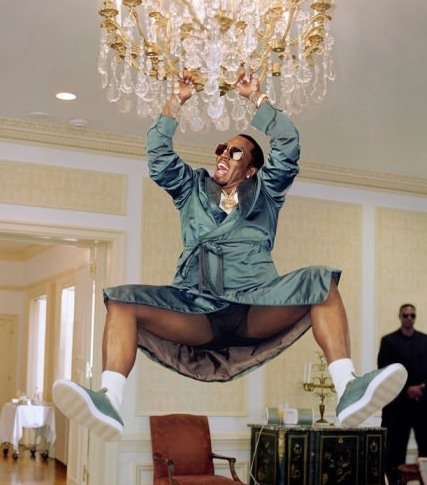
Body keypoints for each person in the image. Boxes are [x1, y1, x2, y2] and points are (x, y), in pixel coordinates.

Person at [53, 71, 407, 442]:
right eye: (222, 148)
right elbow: (158, 157)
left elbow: (288, 143)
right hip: (197, 306)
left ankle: (348, 387)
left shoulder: (266, 192)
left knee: (321, 281)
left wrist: (257, 98)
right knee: (122, 301)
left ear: (251, 170)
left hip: (255, 304)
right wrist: (176, 101)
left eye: (235, 151)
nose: (224, 153)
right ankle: (110, 399)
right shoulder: (191, 187)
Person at [378, 303, 427, 485]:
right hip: (397, 408)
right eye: (405, 315)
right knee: (394, 457)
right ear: (400, 316)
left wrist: (421, 389)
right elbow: (385, 374)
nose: (409, 318)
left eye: (412, 315)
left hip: (423, 406)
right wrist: (407, 390)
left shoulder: (425, 341)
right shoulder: (389, 342)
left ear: (415, 317)